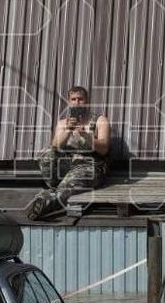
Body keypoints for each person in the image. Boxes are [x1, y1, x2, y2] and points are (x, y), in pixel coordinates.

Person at [26, 85, 111, 220]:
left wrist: (86, 136)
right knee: (46, 153)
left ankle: (46, 204)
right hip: (68, 164)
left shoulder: (100, 121)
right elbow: (55, 146)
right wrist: (68, 130)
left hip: (90, 165)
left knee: (74, 179)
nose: (77, 102)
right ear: (69, 102)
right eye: (74, 99)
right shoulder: (62, 123)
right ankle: (55, 188)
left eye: (80, 99)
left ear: (87, 101)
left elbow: (104, 148)